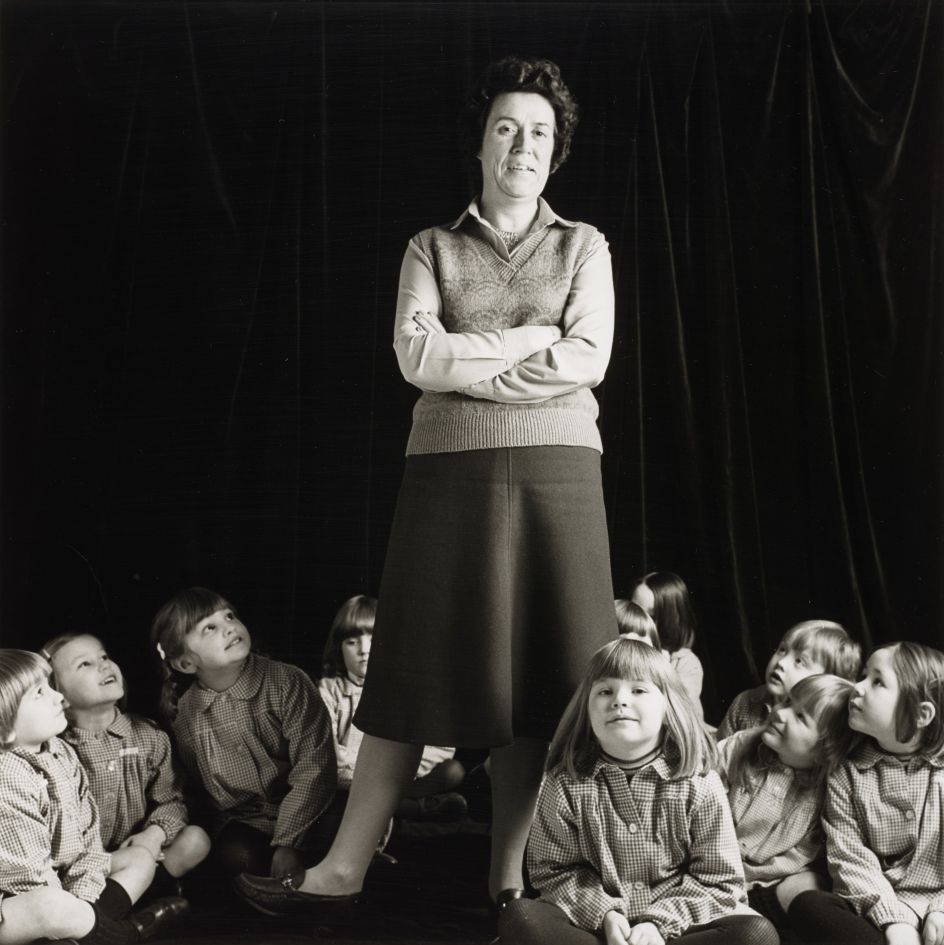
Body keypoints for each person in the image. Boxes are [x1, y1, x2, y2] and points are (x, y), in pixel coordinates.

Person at [233, 54, 618, 916]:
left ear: (556, 155)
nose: (523, 145)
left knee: (534, 683)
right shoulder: (429, 247)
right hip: (446, 474)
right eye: (507, 128)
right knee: (408, 675)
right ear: (480, 145)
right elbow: (417, 357)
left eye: (540, 134)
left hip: (561, 477)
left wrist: (467, 360)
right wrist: (529, 340)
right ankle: (342, 870)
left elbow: (589, 355)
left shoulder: (584, 244)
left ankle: (508, 879)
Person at [498, 638, 778, 945]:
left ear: (668, 706)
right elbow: (552, 872)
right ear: (586, 711)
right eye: (605, 691)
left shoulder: (699, 782)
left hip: (675, 931)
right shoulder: (565, 781)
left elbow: (720, 880)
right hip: (593, 930)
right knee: (520, 916)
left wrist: (658, 923)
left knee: (756, 935)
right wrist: (605, 914)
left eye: (638, 690)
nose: (619, 701)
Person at [150, 587, 340, 881]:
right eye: (210, 627)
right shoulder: (187, 716)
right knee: (235, 857)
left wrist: (288, 843)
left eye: (230, 616)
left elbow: (315, 768)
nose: (229, 627)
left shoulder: (287, 682)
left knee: (340, 833)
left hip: (311, 804)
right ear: (186, 663)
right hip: (250, 821)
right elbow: (203, 791)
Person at [0, 649, 188, 945]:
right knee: (50, 905)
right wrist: (68, 907)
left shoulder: (60, 752)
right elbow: (28, 879)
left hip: (58, 881)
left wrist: (83, 896)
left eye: (50, 685)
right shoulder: (7, 774)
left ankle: (87, 930)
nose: (58, 697)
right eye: (39, 693)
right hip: (17, 896)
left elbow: (87, 836)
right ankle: (126, 934)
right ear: (5, 730)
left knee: (139, 858)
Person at [790, 642, 944, 945]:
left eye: (877, 682)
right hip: (878, 905)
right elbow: (849, 858)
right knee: (810, 905)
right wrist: (893, 922)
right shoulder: (846, 773)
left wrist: (940, 910)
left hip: (939, 904)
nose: (856, 688)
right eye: (862, 676)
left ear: (921, 714)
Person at [42, 632, 211, 897]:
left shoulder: (149, 737)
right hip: (79, 862)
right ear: (58, 695)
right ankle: (111, 907)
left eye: (104, 656)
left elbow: (172, 800)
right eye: (84, 664)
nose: (104, 665)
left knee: (195, 840)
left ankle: (140, 895)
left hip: (137, 849)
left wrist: (153, 836)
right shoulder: (54, 749)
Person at [718, 673, 857, 932]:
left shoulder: (825, 793)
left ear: (825, 749)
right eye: (787, 702)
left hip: (765, 886)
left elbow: (800, 855)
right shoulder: (740, 746)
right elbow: (702, 806)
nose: (781, 713)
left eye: (801, 717)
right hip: (711, 868)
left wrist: (753, 883)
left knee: (808, 889)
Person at [317, 595, 467, 821]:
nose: (364, 650)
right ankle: (416, 809)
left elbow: (441, 748)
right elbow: (329, 755)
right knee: (332, 791)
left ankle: (389, 804)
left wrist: (392, 772)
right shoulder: (329, 690)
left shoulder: (405, 689)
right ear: (339, 648)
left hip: (398, 778)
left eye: (373, 638)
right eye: (352, 642)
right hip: (349, 780)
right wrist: (369, 772)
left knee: (452, 771)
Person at [716, 620, 861, 740]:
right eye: (782, 650)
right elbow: (718, 754)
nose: (781, 663)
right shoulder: (746, 702)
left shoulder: (826, 724)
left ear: (826, 680)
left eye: (799, 661)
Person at [630, 572, 704, 716]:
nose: (639, 621)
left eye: (651, 616)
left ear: (669, 619)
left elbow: (680, 714)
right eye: (635, 610)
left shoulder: (687, 664)